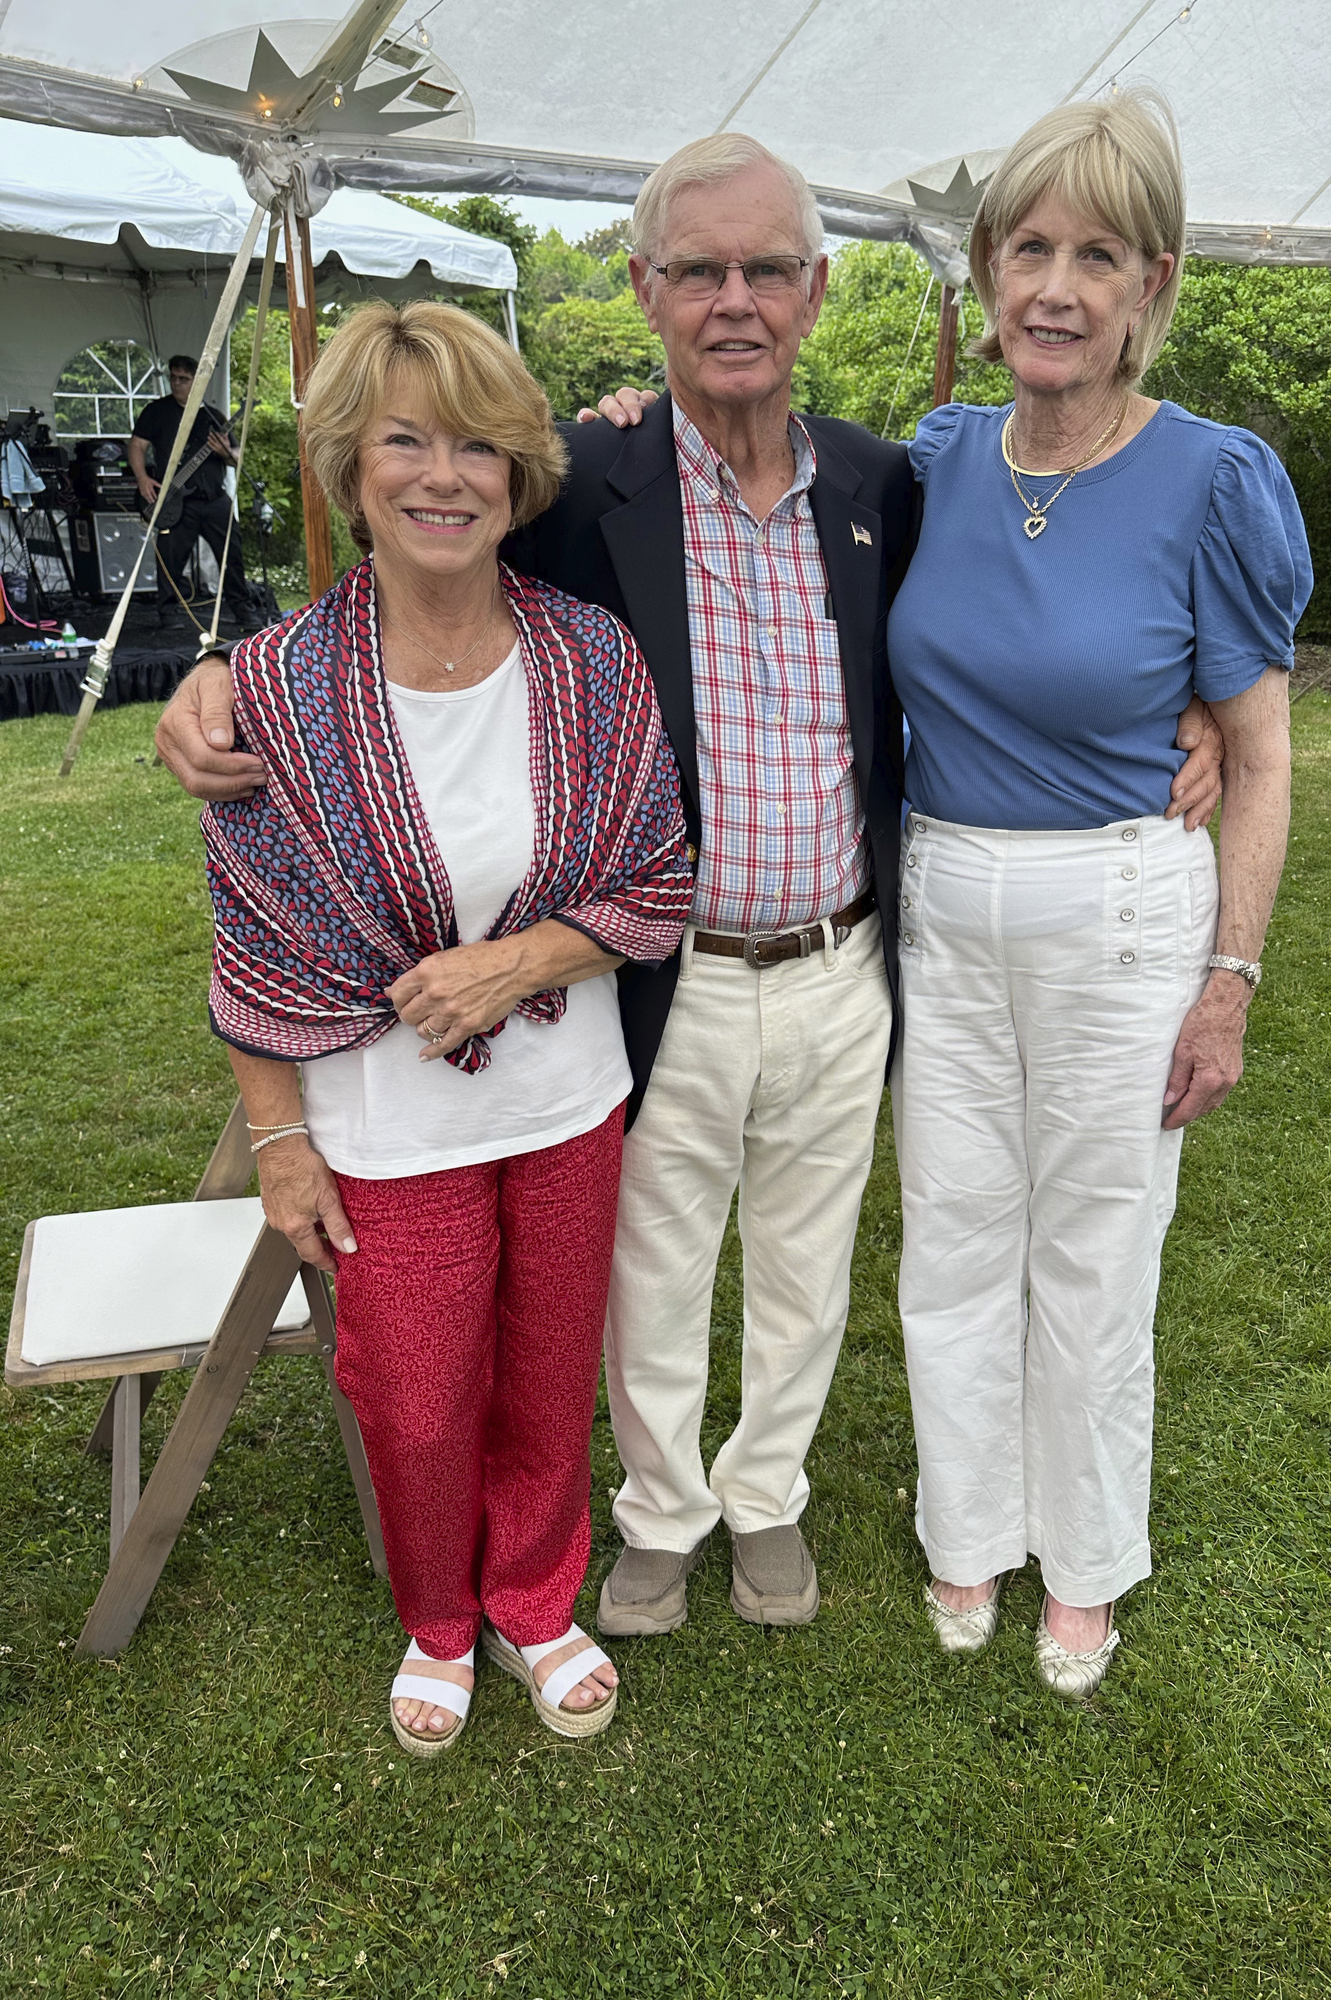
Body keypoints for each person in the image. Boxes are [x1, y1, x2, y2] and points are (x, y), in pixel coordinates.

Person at [157, 134, 1221, 1651]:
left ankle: (767, 1493)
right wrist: (217, 676)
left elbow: (1017, 612)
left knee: (809, 1248)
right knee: (654, 1253)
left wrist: (1183, 713)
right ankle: (659, 1512)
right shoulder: (581, 480)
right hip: (658, 962)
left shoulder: (887, 482)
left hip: (847, 954)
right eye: (700, 271)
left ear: (817, 288)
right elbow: (409, 539)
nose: (737, 300)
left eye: (766, 269)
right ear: (648, 290)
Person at [201, 300, 692, 1754]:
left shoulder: (590, 658)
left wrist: (516, 961)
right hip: (379, 1124)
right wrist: (282, 1143)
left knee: (547, 1374)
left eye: (478, 444)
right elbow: (251, 933)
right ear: (351, 470)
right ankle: (437, 1616)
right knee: (417, 1398)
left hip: (563, 1100)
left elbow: (656, 871)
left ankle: (536, 1600)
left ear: (519, 474)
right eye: (405, 441)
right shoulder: (273, 692)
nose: (443, 475)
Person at [886, 88, 1311, 1696]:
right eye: (1029, 248)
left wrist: (1232, 977)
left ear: (1153, 285)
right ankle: (968, 1529)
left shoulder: (1211, 478)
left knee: (1097, 1256)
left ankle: (1088, 1561)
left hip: (1127, 916)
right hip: (945, 901)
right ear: (990, 271)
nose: (1054, 285)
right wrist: (630, 424)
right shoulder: (939, 459)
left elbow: (1263, 759)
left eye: (1098, 254)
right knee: (952, 1241)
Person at [128, 355, 257, 629]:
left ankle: (243, 611)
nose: (176, 383)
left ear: (197, 381)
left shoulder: (213, 416)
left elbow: (236, 457)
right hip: (176, 501)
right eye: (173, 377)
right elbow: (137, 446)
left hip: (213, 499)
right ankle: (168, 613)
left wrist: (225, 452)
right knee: (170, 557)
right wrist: (142, 478)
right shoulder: (156, 411)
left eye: (183, 379)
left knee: (231, 556)